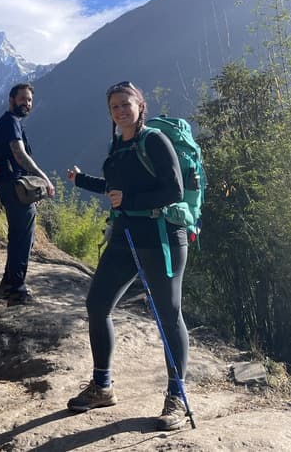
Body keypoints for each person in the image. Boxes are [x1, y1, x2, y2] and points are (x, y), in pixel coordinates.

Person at [64, 81, 190, 431]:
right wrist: (81, 181)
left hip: (162, 236)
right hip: (126, 236)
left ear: (139, 105)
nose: (120, 110)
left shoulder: (154, 141)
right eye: (114, 107)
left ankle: (175, 397)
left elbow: (174, 189)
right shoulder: (117, 146)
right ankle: (102, 387)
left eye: (125, 104)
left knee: (168, 315)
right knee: (97, 305)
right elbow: (116, 189)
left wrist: (129, 202)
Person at [0, 83, 55, 306]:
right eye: (23, 99)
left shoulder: (7, 122)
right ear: (11, 99)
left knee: (17, 236)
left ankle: (6, 285)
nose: (27, 104)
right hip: (16, 188)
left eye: (29, 100)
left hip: (7, 187)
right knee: (23, 239)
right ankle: (17, 291)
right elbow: (20, 155)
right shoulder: (10, 123)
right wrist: (44, 177)